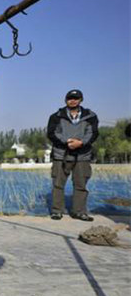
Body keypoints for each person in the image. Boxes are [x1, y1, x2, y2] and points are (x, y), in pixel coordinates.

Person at [47, 89, 99, 221]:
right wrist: (68, 142)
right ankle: (57, 211)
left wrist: (80, 143)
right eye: (70, 98)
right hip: (61, 155)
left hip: (82, 156)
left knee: (81, 185)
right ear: (66, 100)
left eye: (76, 98)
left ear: (81, 100)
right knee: (58, 184)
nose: (73, 100)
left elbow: (93, 133)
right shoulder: (56, 116)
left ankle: (79, 212)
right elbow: (52, 133)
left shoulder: (91, 116)